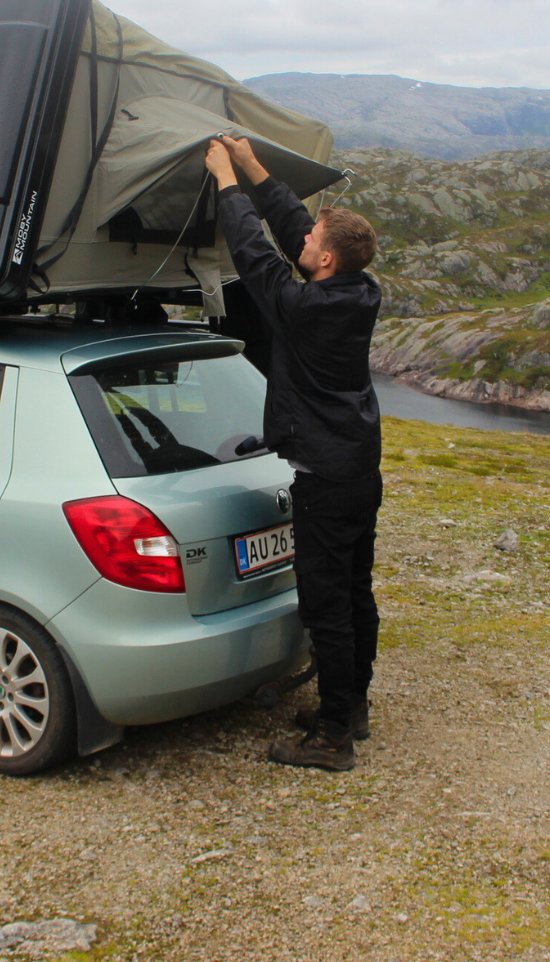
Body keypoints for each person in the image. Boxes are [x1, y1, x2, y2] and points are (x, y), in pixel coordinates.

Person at [204, 133, 382, 772]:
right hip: (359, 469)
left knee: (326, 605)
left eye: (313, 242)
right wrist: (254, 165)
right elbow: (294, 228)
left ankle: (334, 738)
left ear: (325, 261)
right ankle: (351, 707)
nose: (303, 239)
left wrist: (227, 182)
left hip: (327, 481)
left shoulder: (304, 307)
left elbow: (255, 254)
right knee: (356, 593)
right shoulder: (360, 288)